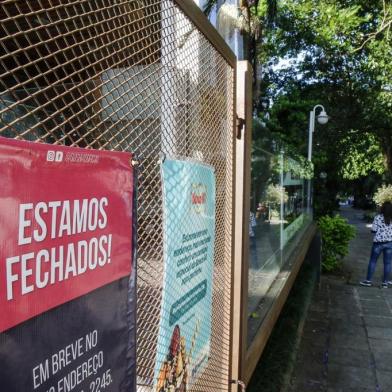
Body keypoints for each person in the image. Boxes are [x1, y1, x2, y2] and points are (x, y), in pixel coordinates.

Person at [360, 201, 392, 288]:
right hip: (389, 243)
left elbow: (373, 230)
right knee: (388, 263)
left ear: (382, 209)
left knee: (373, 261)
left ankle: (368, 281)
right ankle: (385, 283)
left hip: (378, 243)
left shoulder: (378, 217)